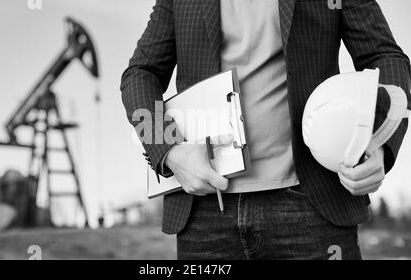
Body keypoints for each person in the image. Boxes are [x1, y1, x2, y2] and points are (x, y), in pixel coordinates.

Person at [121, 0, 410, 259]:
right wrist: (168, 149)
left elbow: (385, 58)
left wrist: (379, 143)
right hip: (205, 209)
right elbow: (140, 74)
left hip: (312, 203)